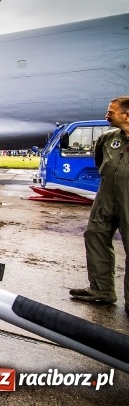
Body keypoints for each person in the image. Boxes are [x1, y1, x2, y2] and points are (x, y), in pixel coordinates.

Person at [70, 95, 129, 315]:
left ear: (127, 115)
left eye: (111, 112)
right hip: (106, 195)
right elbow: (99, 162)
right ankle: (102, 290)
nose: (106, 116)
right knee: (95, 235)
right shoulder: (108, 138)